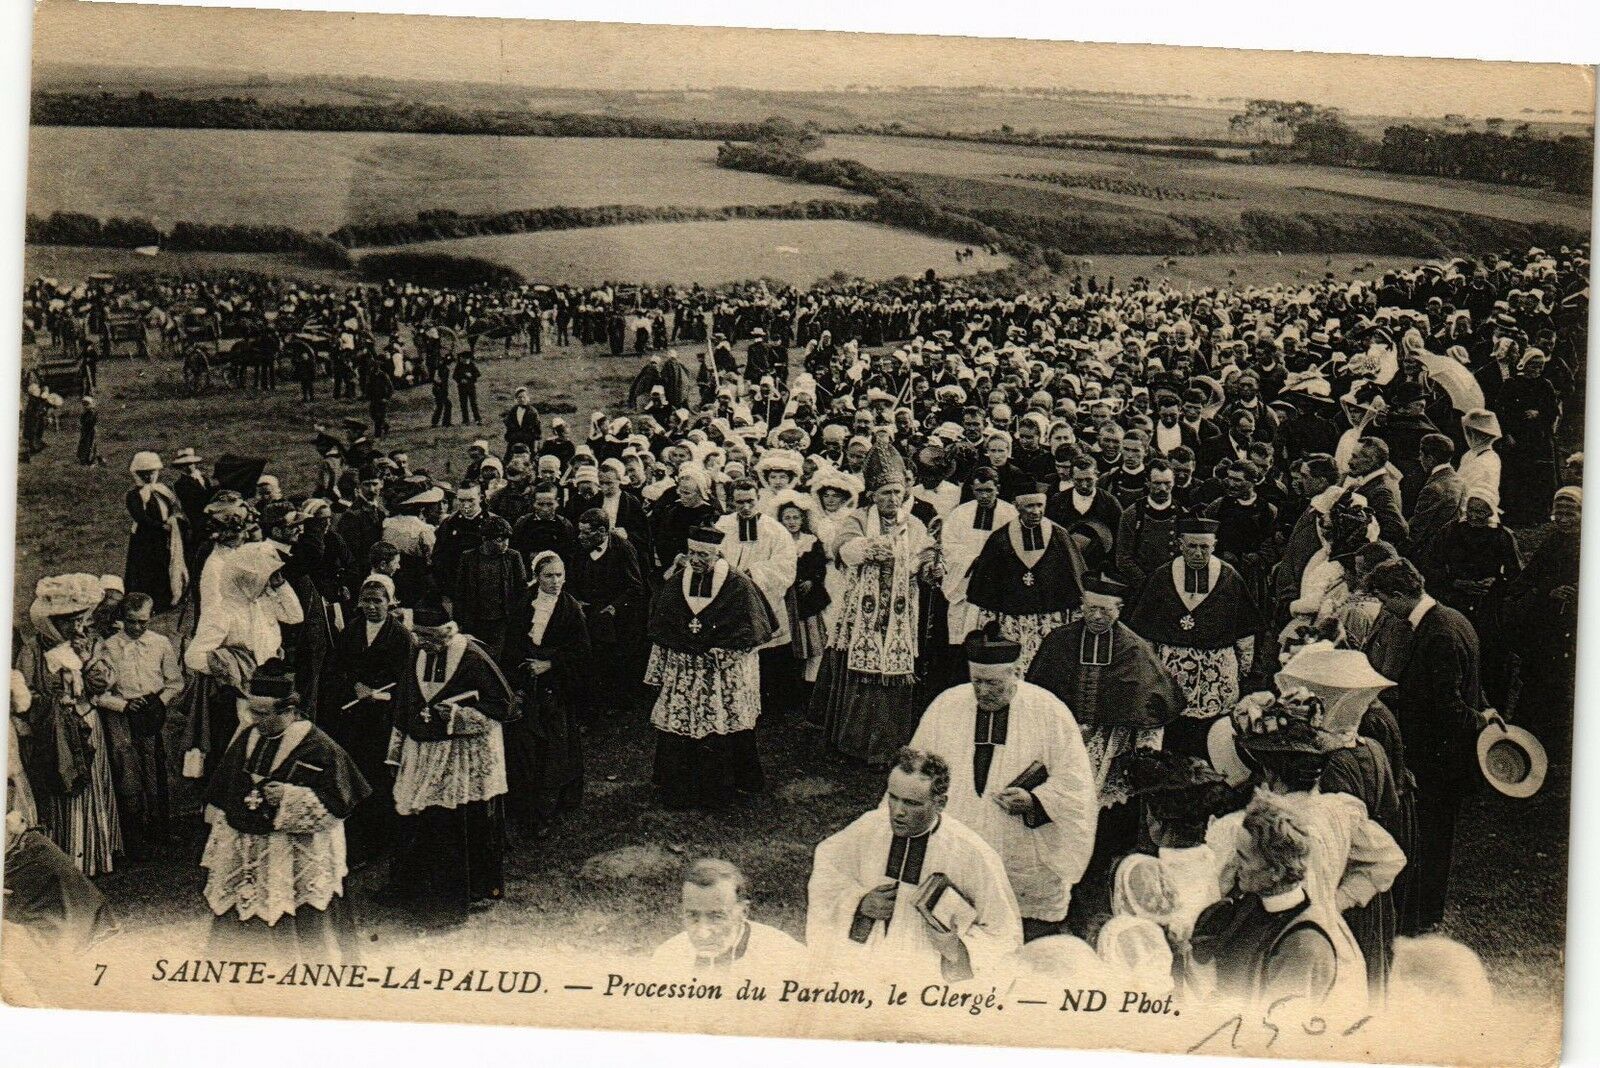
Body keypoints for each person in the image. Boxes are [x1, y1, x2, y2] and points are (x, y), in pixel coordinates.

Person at [910, 630, 1097, 942]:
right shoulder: (947, 705)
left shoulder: (1049, 711)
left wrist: (1035, 800)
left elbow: (1076, 784)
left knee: (1027, 935)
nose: (982, 692)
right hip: (961, 835)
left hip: (1022, 847)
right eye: (976, 682)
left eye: (993, 683)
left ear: (1016, 673)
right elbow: (916, 768)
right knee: (956, 927)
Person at [1024, 574, 1186, 931]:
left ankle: (1095, 898)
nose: (1097, 617)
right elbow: (1037, 697)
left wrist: (1143, 752)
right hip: (1062, 745)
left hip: (1111, 750)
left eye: (1106, 610)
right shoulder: (1059, 641)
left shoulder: (1134, 649)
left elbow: (1153, 706)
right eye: (1091, 608)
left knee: (1105, 829)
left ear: (1120, 609)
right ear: (1081, 606)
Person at [806, 748, 1023, 982]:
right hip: (865, 963)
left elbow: (1003, 933)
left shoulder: (972, 854)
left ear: (940, 803)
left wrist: (955, 947)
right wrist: (859, 902)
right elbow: (827, 876)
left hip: (927, 974)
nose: (898, 812)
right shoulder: (869, 827)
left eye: (912, 803)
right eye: (893, 797)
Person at [201, 661, 369, 961]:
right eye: (252, 711)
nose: (255, 720)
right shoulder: (249, 736)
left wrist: (291, 797)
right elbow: (225, 785)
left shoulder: (319, 746)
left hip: (293, 850)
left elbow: (339, 803)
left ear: (289, 711)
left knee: (301, 913)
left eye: (262, 714)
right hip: (249, 845)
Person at [1365, 558, 1493, 935]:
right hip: (1442, 754)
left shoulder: (1437, 634)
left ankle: (1422, 915)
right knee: (1435, 836)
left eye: (1384, 600)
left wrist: (1481, 721)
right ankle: (1425, 911)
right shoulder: (1452, 619)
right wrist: (1484, 709)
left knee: (1430, 838)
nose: (1385, 609)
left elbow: (1449, 707)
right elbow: (1469, 685)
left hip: (1439, 758)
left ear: (1399, 595)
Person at [383, 602, 517, 918]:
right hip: (423, 749)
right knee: (417, 815)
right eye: (419, 637)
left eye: (429, 638)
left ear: (447, 632)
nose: (423, 644)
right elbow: (405, 700)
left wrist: (458, 715)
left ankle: (465, 891)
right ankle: (415, 886)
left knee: (458, 821)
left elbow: (503, 705)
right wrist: (395, 751)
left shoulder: (472, 655)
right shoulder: (418, 652)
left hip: (460, 755)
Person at [813, 444, 941, 767]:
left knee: (893, 674)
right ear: (872, 495)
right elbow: (842, 548)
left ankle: (887, 745)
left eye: (897, 492)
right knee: (859, 670)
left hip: (900, 612)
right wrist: (869, 548)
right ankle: (853, 742)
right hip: (861, 610)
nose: (892, 499)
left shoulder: (914, 524)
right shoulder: (857, 518)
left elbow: (925, 555)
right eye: (885, 493)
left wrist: (931, 567)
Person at [645, 526, 776, 809]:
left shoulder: (738, 584)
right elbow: (662, 624)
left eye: (703, 555)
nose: (695, 559)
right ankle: (679, 786)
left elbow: (751, 629)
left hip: (720, 672)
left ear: (717, 555)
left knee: (721, 721)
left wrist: (726, 652)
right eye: (692, 553)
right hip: (685, 669)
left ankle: (722, 787)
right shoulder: (677, 582)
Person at [1190, 793, 1342, 1008]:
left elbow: (1271, 1023)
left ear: (1275, 872)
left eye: (1243, 857)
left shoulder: (1303, 945)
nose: (1235, 864)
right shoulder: (1247, 907)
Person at [1126, 517, 1261, 757]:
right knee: (1173, 733)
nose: (1198, 553)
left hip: (1217, 673)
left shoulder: (1229, 577)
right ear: (1180, 544)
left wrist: (1243, 668)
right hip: (1172, 669)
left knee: (1213, 736)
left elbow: (1245, 631)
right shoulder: (1161, 576)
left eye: (1204, 547)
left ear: (1214, 545)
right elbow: (1144, 632)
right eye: (1192, 546)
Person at [16, 574, 122, 877]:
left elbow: (104, 683)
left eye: (79, 621)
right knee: (63, 787)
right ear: (52, 622)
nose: (76, 628)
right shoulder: (33, 651)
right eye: (68, 623)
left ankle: (94, 856)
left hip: (86, 723)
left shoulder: (89, 643)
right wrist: (52, 702)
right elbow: (24, 694)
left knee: (90, 786)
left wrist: (86, 660)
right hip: (54, 732)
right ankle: (67, 861)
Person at [322, 575, 413, 866]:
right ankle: (355, 840)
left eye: (378, 601)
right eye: (367, 601)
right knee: (352, 774)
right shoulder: (351, 631)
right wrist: (355, 686)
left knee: (376, 778)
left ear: (390, 603)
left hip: (382, 721)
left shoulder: (400, 637)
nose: (372, 607)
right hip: (353, 718)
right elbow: (336, 669)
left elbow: (406, 682)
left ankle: (378, 841)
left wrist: (380, 695)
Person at [87, 592, 183, 861]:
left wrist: (158, 701)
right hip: (122, 717)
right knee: (127, 772)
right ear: (122, 618)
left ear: (150, 617)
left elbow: (175, 682)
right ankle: (134, 836)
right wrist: (124, 705)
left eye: (143, 621)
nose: (138, 627)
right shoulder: (108, 647)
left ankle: (161, 828)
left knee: (157, 768)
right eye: (131, 621)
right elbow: (98, 693)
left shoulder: (160, 643)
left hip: (152, 714)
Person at [503, 551, 589, 837]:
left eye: (559, 575)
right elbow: (512, 643)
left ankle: (546, 811)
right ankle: (523, 806)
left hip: (557, 688)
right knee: (525, 748)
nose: (555, 581)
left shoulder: (570, 609)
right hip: (527, 686)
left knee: (554, 749)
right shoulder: (523, 603)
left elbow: (582, 652)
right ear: (537, 577)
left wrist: (550, 664)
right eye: (548, 576)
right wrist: (519, 677)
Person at [967, 482, 1089, 671]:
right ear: (1017, 507)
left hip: (1050, 619)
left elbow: (1075, 579)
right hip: (1012, 621)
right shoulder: (1000, 539)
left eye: (1039, 505)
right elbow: (986, 588)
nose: (1035, 512)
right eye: (1029, 506)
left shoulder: (1059, 536)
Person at [715, 478, 798, 712]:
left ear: (758, 499)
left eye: (750, 501)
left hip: (764, 597)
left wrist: (754, 573)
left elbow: (785, 564)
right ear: (731, 502)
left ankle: (770, 706)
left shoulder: (775, 529)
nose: (746, 507)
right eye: (739, 502)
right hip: (730, 597)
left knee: (767, 650)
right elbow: (714, 555)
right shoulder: (722, 525)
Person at [651, 858, 803, 977]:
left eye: (717, 917)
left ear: (743, 912)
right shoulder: (666, 957)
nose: (703, 933)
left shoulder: (786, 957)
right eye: (692, 916)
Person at [569, 508, 647, 719]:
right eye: (580, 531)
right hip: (588, 611)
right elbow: (572, 577)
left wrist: (614, 608)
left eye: (586, 532)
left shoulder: (623, 549)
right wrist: (577, 600)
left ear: (602, 531)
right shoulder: (580, 547)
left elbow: (635, 587)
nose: (580, 536)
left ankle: (617, 704)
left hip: (616, 616)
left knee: (614, 660)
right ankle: (592, 703)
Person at [452, 515, 527, 663]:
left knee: (494, 659)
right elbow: (460, 591)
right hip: (475, 620)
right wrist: (458, 621)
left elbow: (522, 589)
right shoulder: (468, 557)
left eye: (507, 539)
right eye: (500, 540)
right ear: (485, 539)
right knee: (474, 657)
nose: (506, 544)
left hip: (502, 621)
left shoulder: (513, 557)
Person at [124, 451, 189, 613]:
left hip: (162, 537)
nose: (150, 476)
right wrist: (161, 526)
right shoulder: (134, 495)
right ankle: (144, 602)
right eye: (145, 474)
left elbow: (173, 507)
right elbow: (141, 517)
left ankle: (163, 600)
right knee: (146, 568)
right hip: (145, 539)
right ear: (138, 475)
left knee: (163, 565)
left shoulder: (162, 491)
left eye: (152, 472)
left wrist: (174, 520)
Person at [1405, 433, 1467, 561]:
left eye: (1421, 455)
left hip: (1430, 556)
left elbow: (1417, 530)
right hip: (1450, 552)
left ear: (1430, 459)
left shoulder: (1433, 488)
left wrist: (1397, 553)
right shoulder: (1460, 481)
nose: (1419, 459)